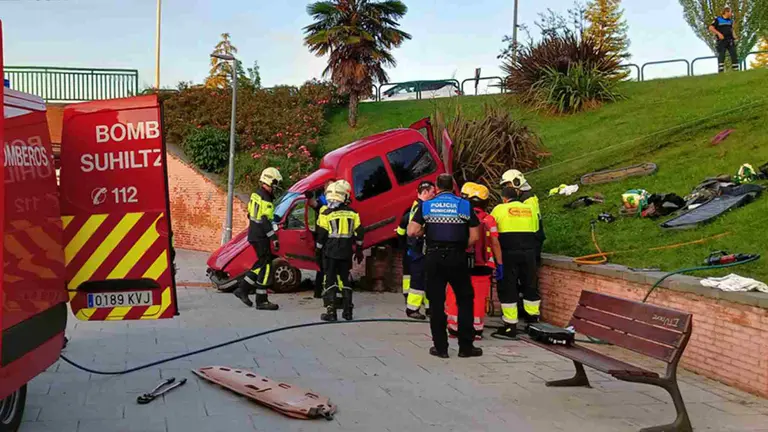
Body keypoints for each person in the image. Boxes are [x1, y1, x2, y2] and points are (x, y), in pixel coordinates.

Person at [408, 174, 483, 358]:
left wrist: (426, 230)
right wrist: (460, 246)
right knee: (465, 299)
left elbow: (412, 230)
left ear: (437, 187)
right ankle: (466, 347)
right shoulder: (464, 205)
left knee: (436, 302)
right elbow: (475, 237)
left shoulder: (426, 206)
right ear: (453, 187)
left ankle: (441, 348)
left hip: (433, 257)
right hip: (457, 257)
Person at [491, 169, 544, 339]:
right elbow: (536, 228)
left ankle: (510, 325)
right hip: (528, 251)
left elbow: (490, 229)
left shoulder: (499, 209)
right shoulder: (528, 207)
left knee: (508, 287)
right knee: (530, 284)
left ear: (504, 198)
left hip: (508, 253)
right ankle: (532, 319)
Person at [447, 182, 502, 339]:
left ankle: (454, 327)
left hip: (458, 263)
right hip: (482, 266)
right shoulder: (489, 220)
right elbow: (495, 243)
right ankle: (476, 329)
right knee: (478, 298)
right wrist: (500, 264)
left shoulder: (457, 216)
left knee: (454, 294)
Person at [233, 167, 282, 310]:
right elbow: (265, 220)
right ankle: (262, 300)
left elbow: (251, 214)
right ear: (270, 181)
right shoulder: (266, 198)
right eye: (275, 183)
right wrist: (273, 237)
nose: (276, 186)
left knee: (261, 263)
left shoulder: (256, 194)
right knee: (266, 266)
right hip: (261, 236)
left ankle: (242, 289)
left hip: (253, 233)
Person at [316, 181, 364, 321]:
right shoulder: (353, 214)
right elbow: (360, 232)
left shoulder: (326, 214)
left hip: (331, 252)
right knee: (345, 279)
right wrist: (359, 249)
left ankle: (331, 312)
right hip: (346, 251)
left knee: (330, 279)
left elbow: (322, 235)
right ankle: (348, 310)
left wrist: (318, 251)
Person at [396, 181, 436, 320]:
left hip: (415, 249)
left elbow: (401, 231)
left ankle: (430, 307)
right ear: (424, 192)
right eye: (432, 193)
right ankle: (412, 309)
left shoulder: (413, 208)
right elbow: (414, 230)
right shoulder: (422, 207)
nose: (434, 195)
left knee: (426, 279)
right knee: (419, 280)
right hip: (420, 248)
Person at [308, 179, 335, 299]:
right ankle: (320, 291)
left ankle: (325, 291)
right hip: (323, 237)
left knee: (329, 267)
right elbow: (314, 204)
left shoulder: (337, 202)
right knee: (322, 267)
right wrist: (309, 197)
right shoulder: (323, 201)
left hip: (333, 239)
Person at [709, 7, 739, 73]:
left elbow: (731, 29)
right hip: (722, 41)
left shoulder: (730, 21)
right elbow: (711, 28)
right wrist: (719, 34)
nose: (731, 14)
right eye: (730, 12)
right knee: (721, 55)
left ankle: (736, 70)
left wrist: (735, 36)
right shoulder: (718, 19)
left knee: (734, 54)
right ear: (726, 12)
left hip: (730, 40)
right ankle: (721, 71)